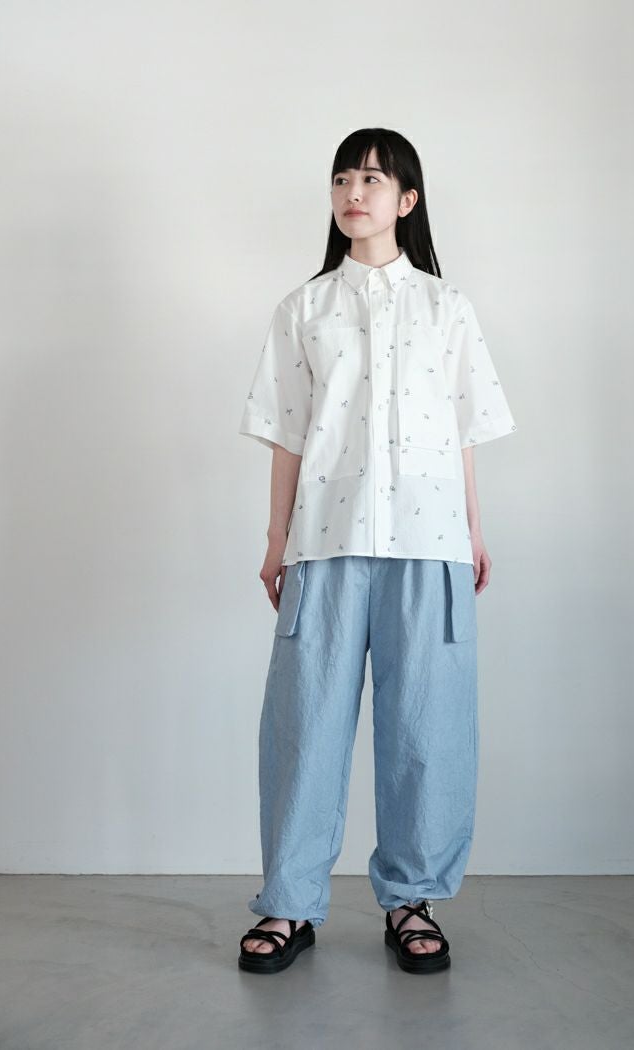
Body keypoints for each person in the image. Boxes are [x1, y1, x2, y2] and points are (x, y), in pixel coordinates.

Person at [237, 128, 517, 975]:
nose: (353, 193)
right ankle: (290, 902)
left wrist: (473, 529)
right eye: (341, 179)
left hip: (430, 542)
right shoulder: (304, 309)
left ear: (407, 199)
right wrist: (276, 539)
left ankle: (412, 900)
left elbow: (465, 431)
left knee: (428, 724)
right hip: (325, 538)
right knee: (305, 724)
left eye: (371, 179)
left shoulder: (447, 307)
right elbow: (288, 435)